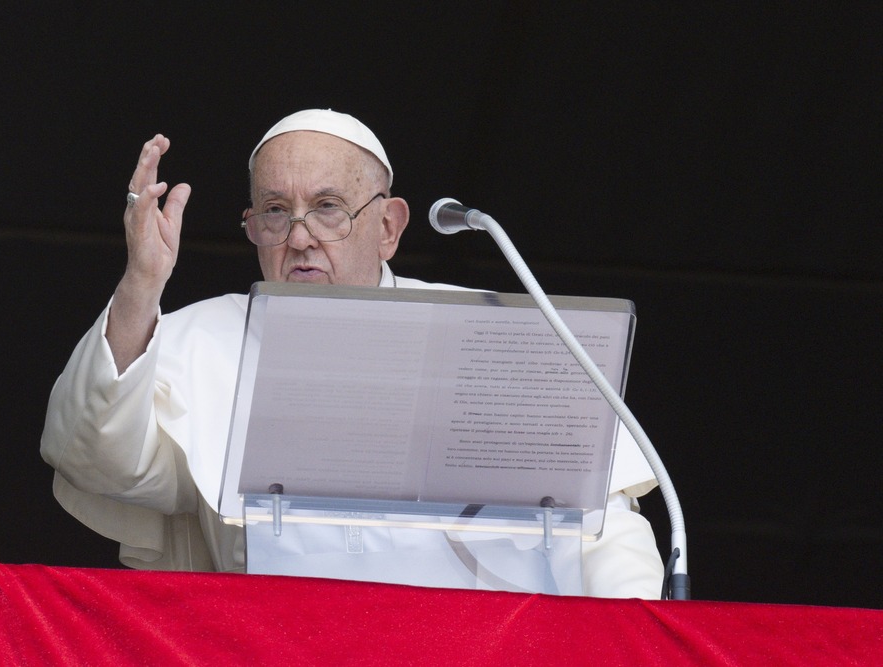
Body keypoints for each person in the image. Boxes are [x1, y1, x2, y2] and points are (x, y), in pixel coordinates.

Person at [41, 109, 664, 597]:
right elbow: (100, 461)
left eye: (329, 209)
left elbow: (603, 529)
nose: (301, 237)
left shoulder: (489, 333)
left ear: (389, 227)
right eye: (276, 213)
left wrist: (635, 640)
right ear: (253, 228)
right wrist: (142, 285)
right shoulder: (203, 338)